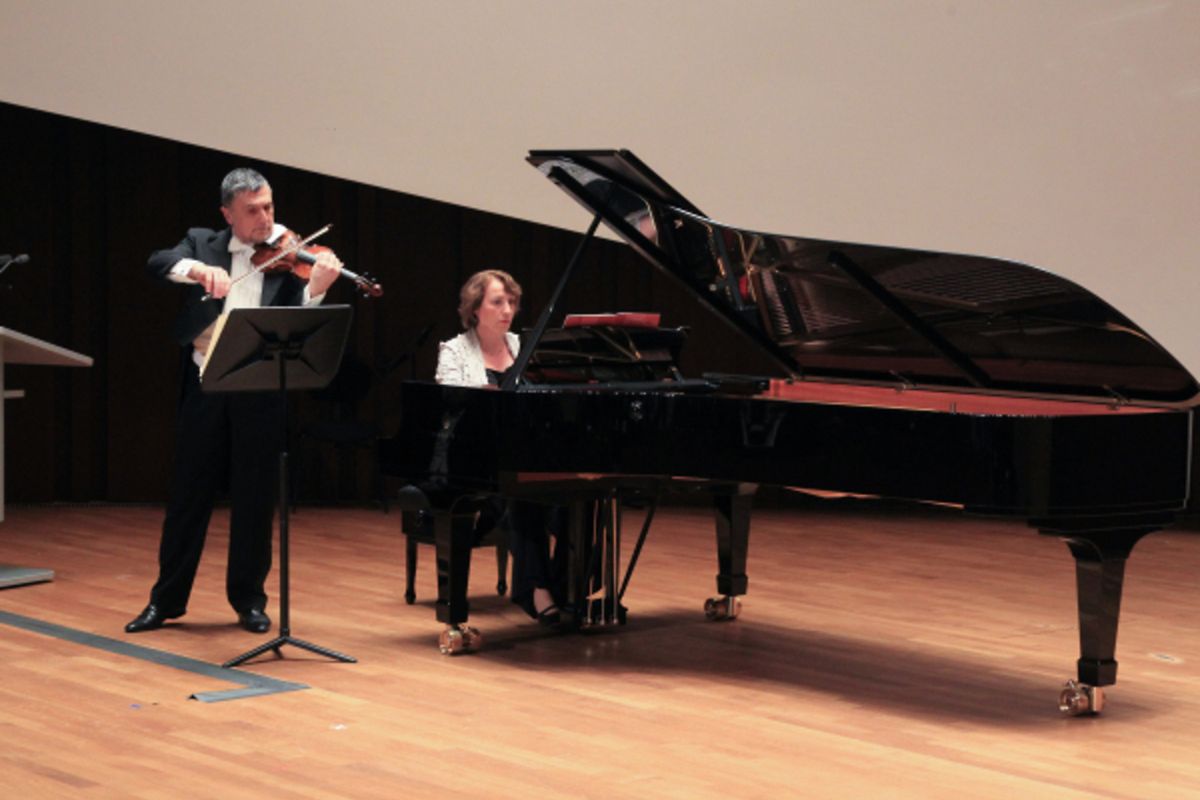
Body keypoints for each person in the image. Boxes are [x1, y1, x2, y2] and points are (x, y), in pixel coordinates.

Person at [125, 168, 343, 634]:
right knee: (188, 496)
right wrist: (198, 270)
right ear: (228, 214)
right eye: (253, 210)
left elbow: (295, 321)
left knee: (254, 498)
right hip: (205, 383)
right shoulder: (201, 242)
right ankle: (165, 601)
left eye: (269, 206)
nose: (266, 218)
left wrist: (318, 289)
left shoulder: (290, 253)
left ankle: (249, 601)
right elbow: (158, 262)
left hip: (260, 389)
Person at [435, 269, 566, 625]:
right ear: (475, 308)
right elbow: (449, 404)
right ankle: (537, 591)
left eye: (512, 302)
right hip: (471, 459)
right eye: (497, 302)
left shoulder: (524, 348)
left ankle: (568, 589)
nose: (507, 309)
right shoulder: (454, 350)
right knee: (522, 495)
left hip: (522, 455)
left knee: (576, 498)